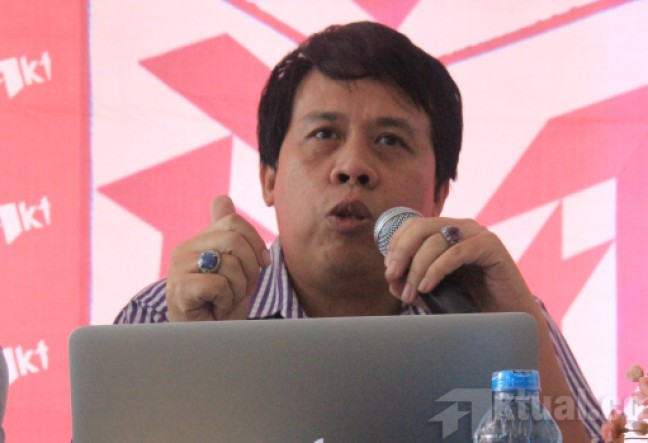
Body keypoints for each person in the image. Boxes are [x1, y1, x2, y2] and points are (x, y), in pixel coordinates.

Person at [115, 21, 604, 441]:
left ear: (438, 193)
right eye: (324, 134)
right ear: (268, 176)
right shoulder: (162, 319)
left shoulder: (493, 314)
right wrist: (197, 357)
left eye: (390, 140)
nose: (353, 166)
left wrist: (516, 331)